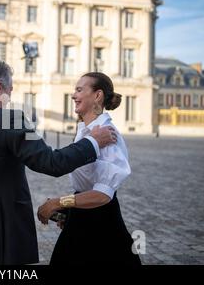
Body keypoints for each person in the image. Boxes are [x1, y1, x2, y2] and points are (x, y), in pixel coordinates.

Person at [0, 59, 117, 265]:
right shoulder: (11, 119)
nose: (9, 97)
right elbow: (51, 162)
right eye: (10, 90)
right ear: (0, 88)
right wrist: (93, 142)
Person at [37, 72, 142, 266]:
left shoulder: (107, 135)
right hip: (83, 217)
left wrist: (59, 202)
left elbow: (103, 195)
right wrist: (69, 212)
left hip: (102, 225)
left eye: (79, 89)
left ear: (97, 96)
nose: (73, 95)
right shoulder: (88, 132)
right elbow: (86, 184)